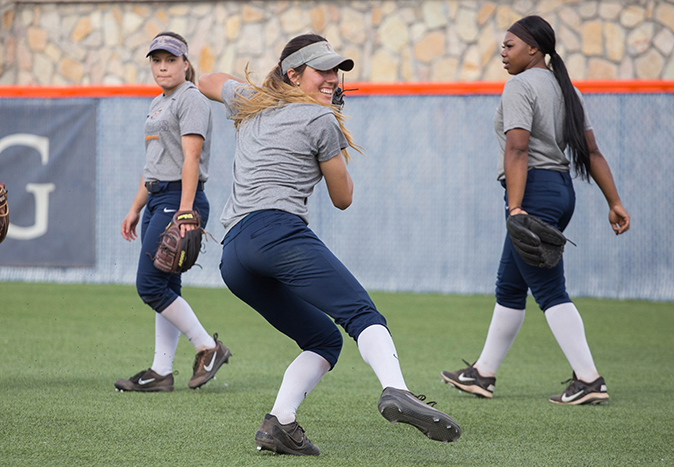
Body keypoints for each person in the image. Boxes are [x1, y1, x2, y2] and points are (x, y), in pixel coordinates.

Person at [198, 33, 461, 455]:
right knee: (361, 312)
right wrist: (331, 124)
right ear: (293, 73)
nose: (333, 78)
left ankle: (279, 424)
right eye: (322, 69)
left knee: (323, 340)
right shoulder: (321, 120)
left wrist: (253, 93)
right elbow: (343, 198)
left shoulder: (250, 102)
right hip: (276, 232)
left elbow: (207, 80)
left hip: (234, 254)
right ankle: (397, 389)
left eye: (336, 70)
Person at [441, 16, 630, 405]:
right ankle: (483, 374)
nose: (503, 53)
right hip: (560, 191)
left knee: (549, 289)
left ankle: (590, 380)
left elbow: (518, 149)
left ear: (534, 49)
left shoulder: (521, 86)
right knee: (510, 286)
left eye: (510, 46)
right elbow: (591, 152)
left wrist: (514, 207)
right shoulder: (566, 89)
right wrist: (614, 201)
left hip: (532, 194)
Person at [115, 32, 230, 393]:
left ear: (185, 63)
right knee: (165, 286)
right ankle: (160, 372)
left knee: (149, 286)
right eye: (156, 60)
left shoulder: (191, 99)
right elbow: (153, 165)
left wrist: (184, 211)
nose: (162, 66)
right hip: (156, 197)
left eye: (170, 60)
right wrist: (136, 207)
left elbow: (191, 158)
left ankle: (208, 348)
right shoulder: (158, 102)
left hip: (181, 198)